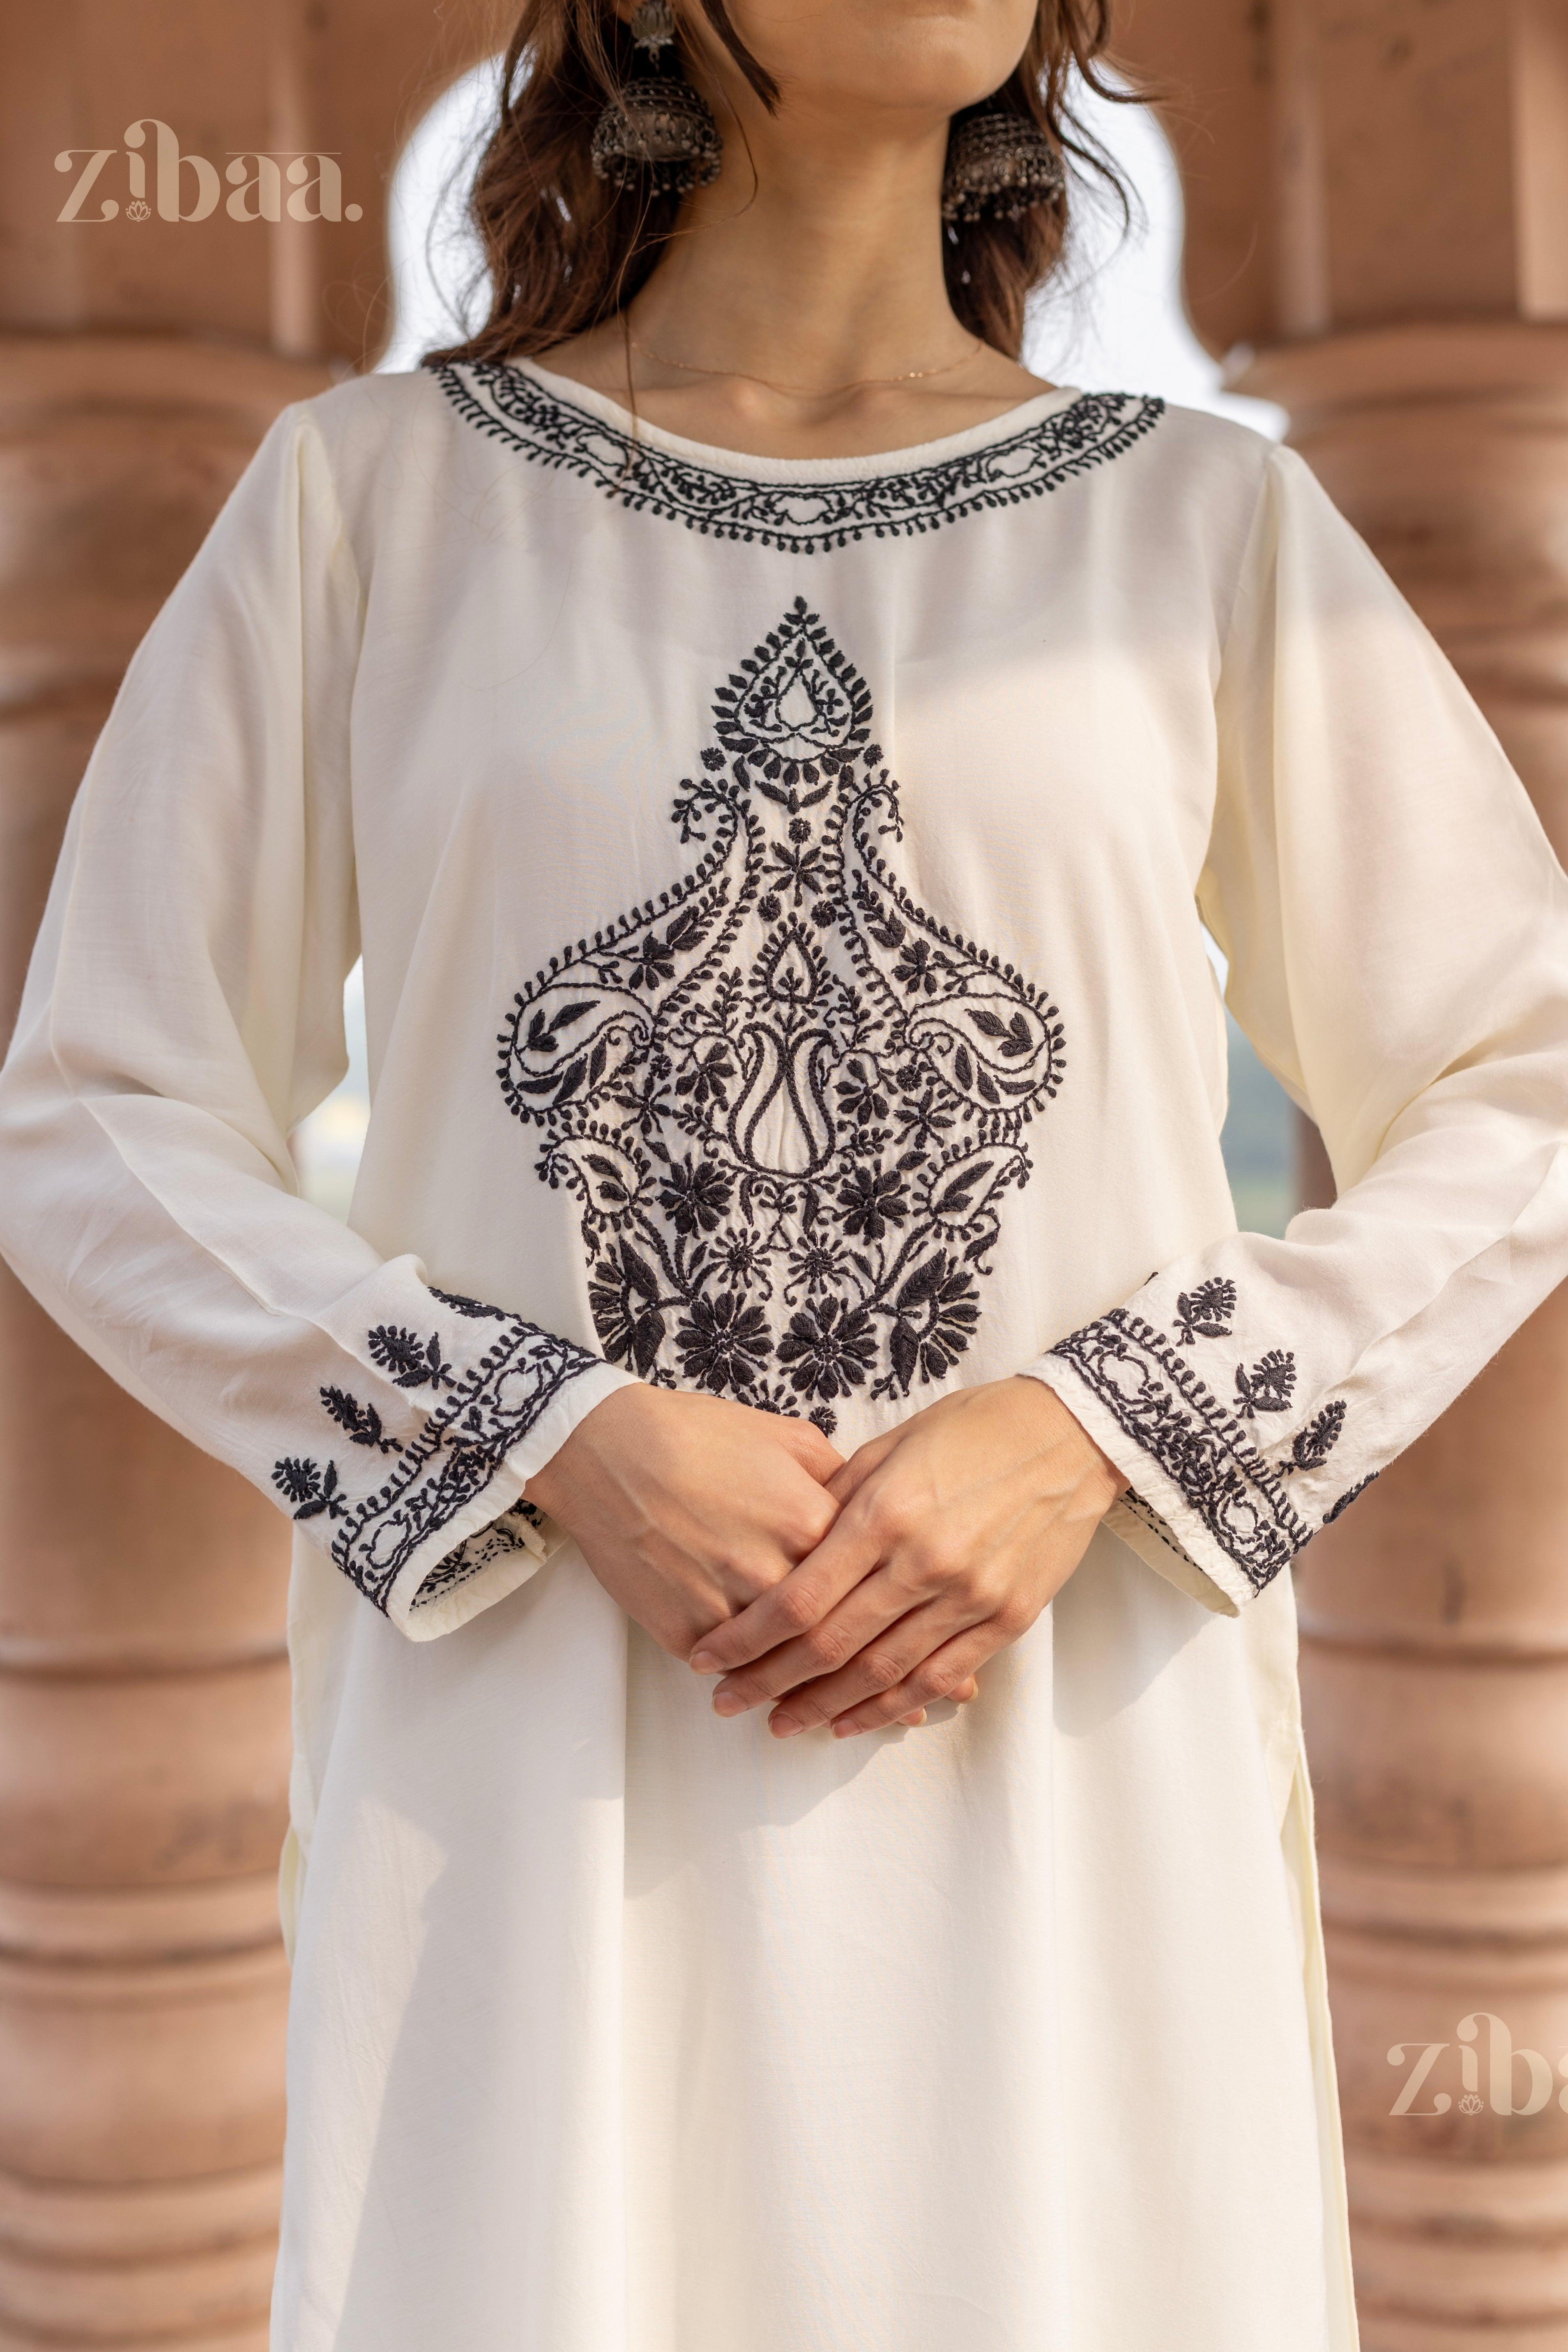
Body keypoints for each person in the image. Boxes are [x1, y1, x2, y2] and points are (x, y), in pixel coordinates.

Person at [2, 0, 1566, 2344]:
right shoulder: (371, 507)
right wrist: (532, 1430)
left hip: (1065, 1772)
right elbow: (96, 1115)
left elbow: (1526, 1071)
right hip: (529, 1794)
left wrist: (1109, 1430)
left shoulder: (1202, 522)